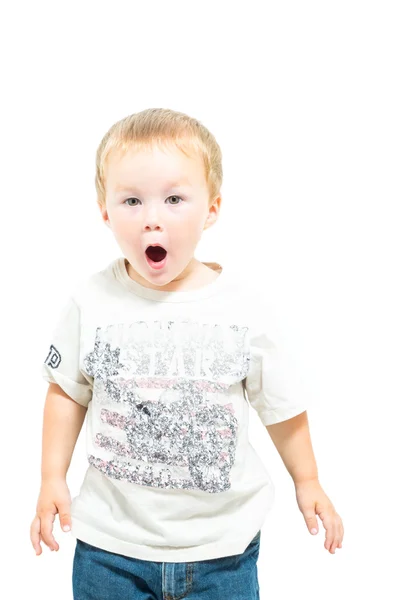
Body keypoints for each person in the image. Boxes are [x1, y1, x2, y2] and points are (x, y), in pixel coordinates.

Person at [30, 107, 344, 599]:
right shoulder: (90, 302)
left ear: (212, 209)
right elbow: (66, 393)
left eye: (174, 199)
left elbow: (281, 406)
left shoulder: (244, 308)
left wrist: (309, 480)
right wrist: (52, 476)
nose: (152, 219)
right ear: (105, 211)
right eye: (132, 200)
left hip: (221, 550)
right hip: (109, 549)